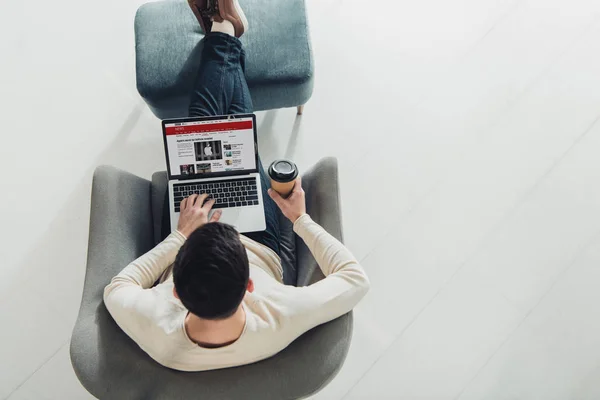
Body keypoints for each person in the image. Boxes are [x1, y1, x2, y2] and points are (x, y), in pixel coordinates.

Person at [103, 0, 370, 372]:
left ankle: (224, 30)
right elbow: (355, 280)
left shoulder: (161, 331)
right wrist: (300, 221)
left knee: (207, 129)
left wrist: (181, 236)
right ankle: (223, 29)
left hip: (190, 230)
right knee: (237, 141)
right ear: (250, 287)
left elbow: (116, 288)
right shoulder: (281, 316)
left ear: (175, 292)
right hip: (260, 241)